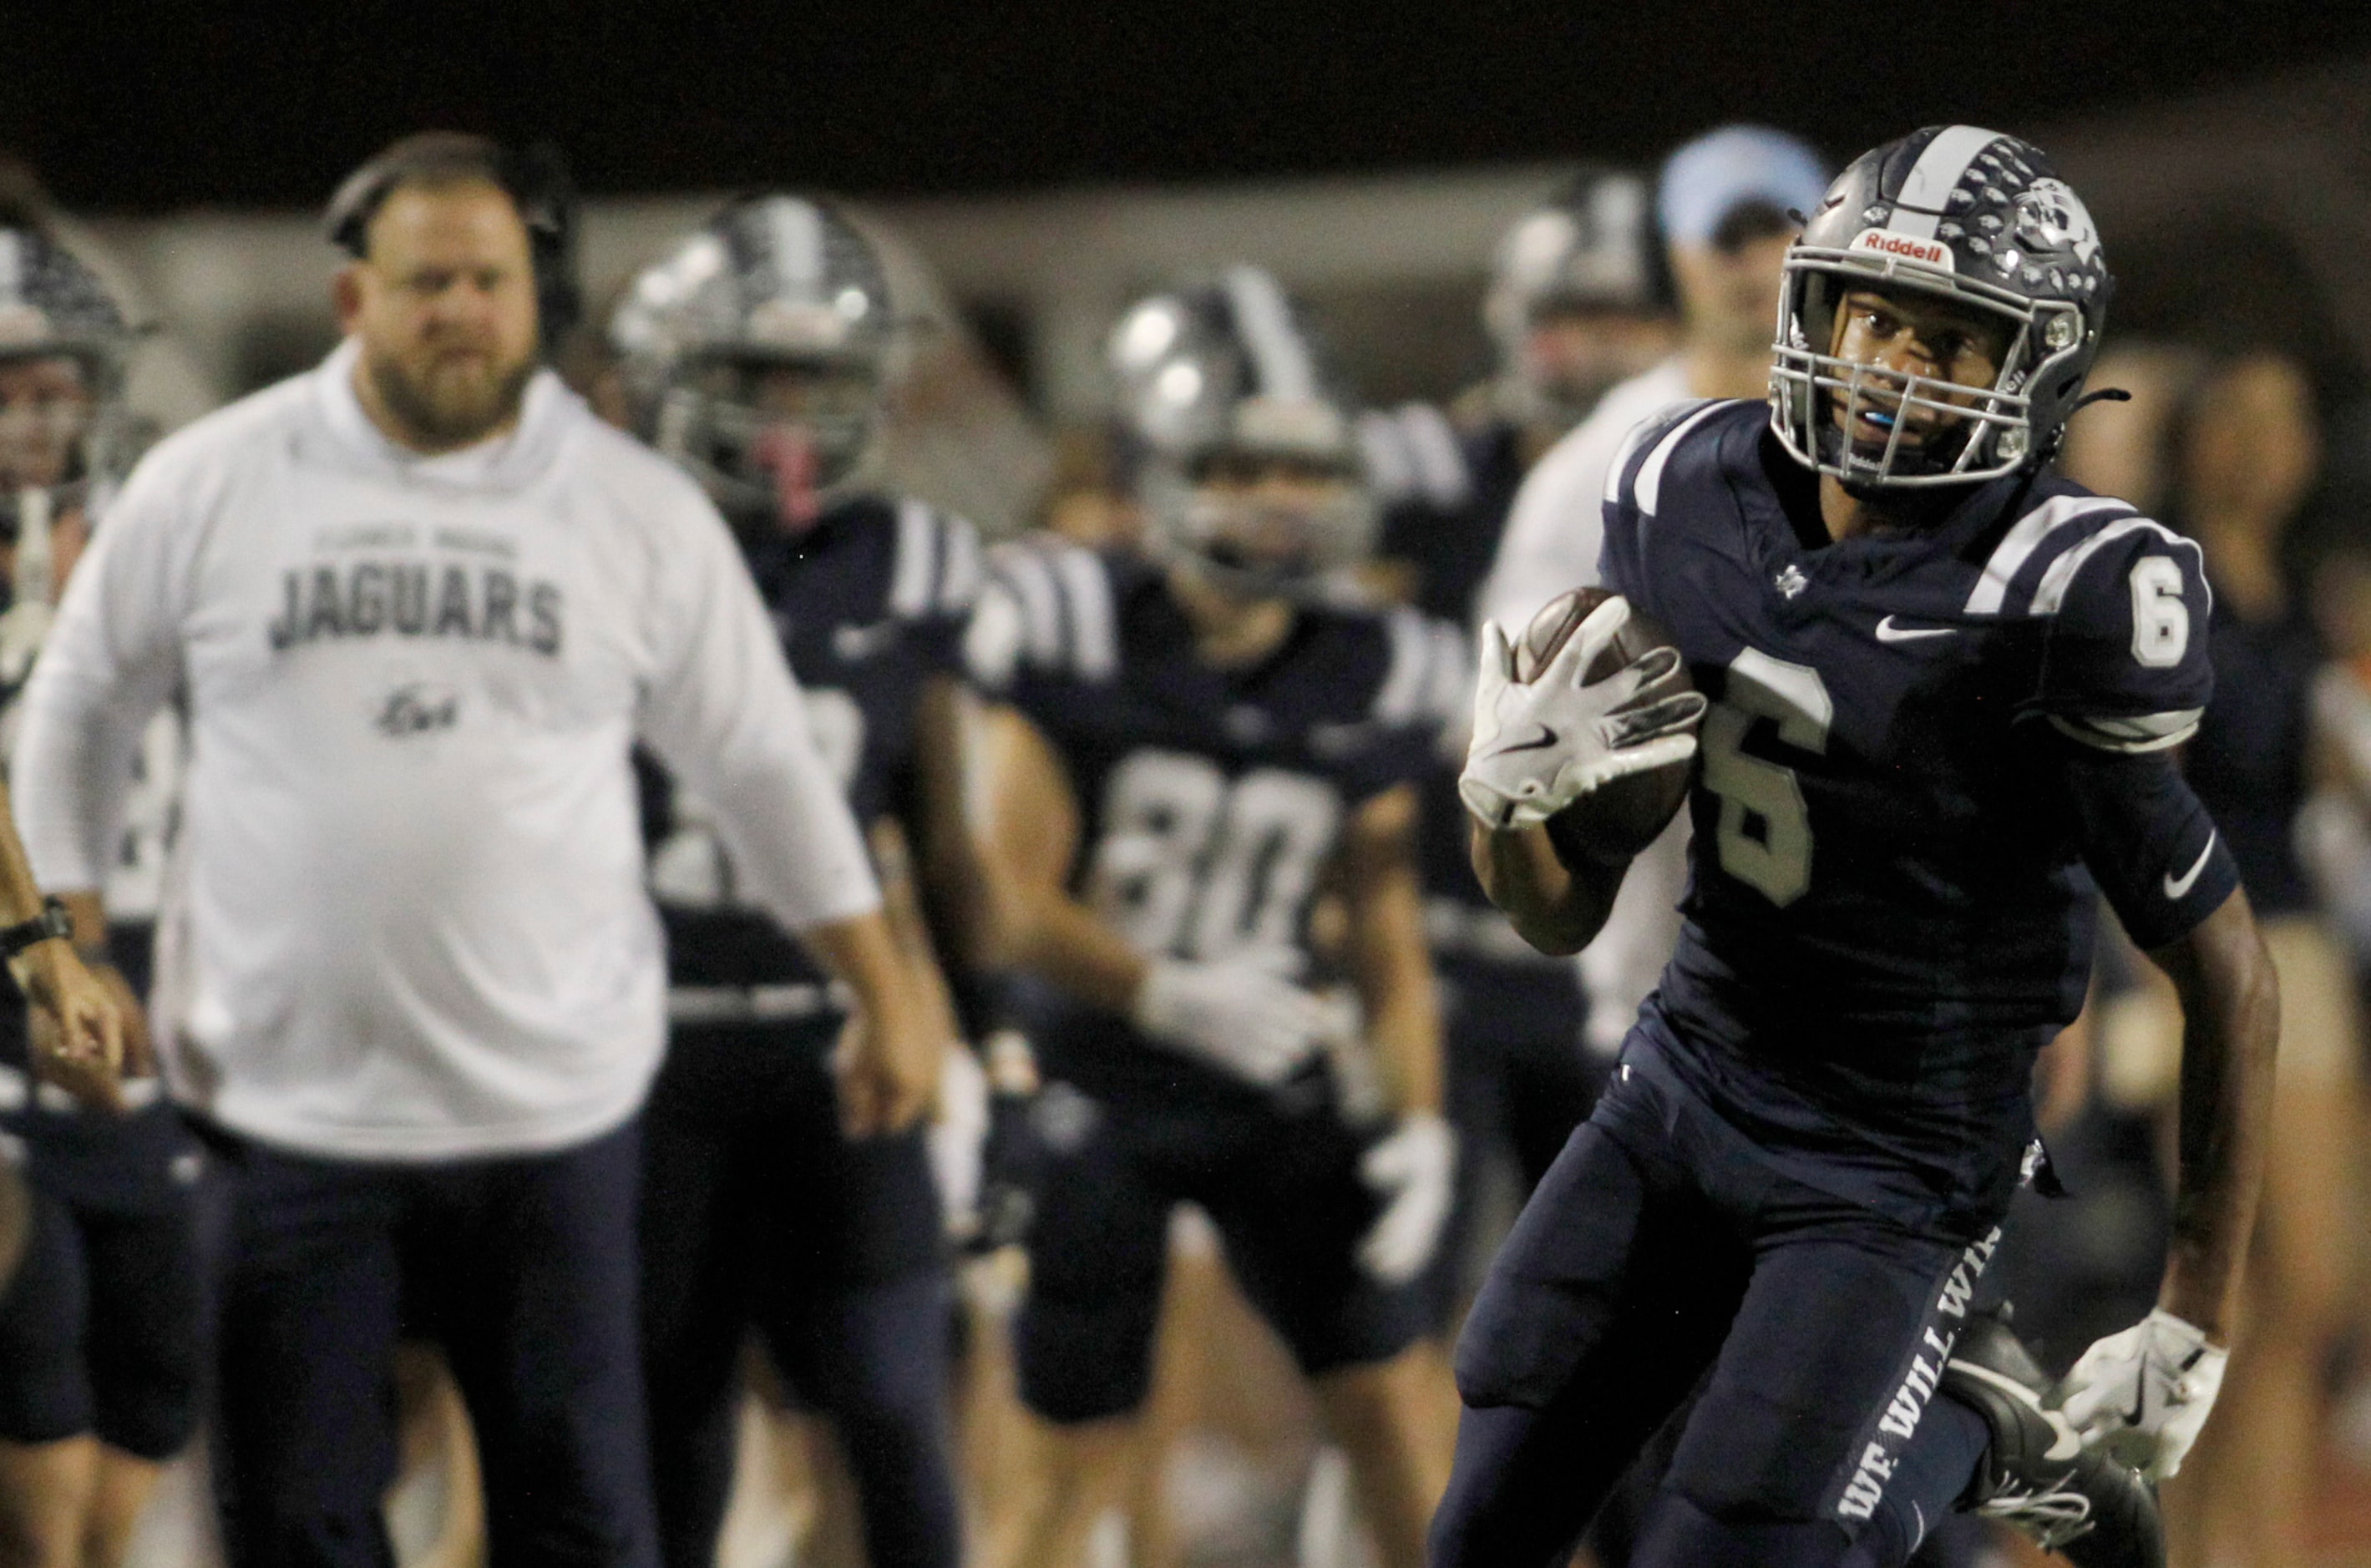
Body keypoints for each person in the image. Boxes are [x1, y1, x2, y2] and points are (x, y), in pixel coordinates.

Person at [9, 132, 938, 1568]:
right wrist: (59, 943)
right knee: (303, 1527)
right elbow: (77, 705)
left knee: (576, 1524)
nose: (460, 309)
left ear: (535, 296)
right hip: (282, 1109)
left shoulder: (634, 506)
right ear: (351, 300)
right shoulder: (215, 479)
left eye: (490, 279)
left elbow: (761, 763)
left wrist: (882, 985)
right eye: (425, 278)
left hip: (549, 1114)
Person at [1434, 125, 2276, 1568]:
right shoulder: (1677, 488)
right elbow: (1559, 920)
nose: (1887, 363)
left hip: (1893, 1156)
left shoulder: (2062, 590)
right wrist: (1503, 809)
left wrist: (2194, 1305)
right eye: (1870, 315)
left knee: (1738, 1542)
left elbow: (2224, 972)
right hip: (1684, 1073)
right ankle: (1949, 1428)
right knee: (1485, 1511)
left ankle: (1997, 1436)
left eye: (1947, 341)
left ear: (2036, 371)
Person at [971, 267, 1462, 1568]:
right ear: (1160, 463)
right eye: (1242, 462)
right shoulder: (1071, 619)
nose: (1280, 498)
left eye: (1301, 467)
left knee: (1396, 1413)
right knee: (1060, 1460)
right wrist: (1164, 992)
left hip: (1271, 1077)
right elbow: (1004, 892)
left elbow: (1381, 926)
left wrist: (1414, 1115)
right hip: (1097, 1075)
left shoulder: (1379, 661)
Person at [607, 193, 975, 1568]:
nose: (791, 409)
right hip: (643, 1050)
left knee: (891, 1409)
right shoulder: (606, 542)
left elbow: (948, 843)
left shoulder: (919, 561)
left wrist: (985, 1041)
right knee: (666, 1424)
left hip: (843, 1048)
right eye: (759, 373)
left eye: (821, 375)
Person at [1361, 173, 1676, 1307]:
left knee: (1619, 1312)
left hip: (1606, 962)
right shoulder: (1426, 476)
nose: (1590, 350)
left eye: (1620, 319)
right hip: (1438, 948)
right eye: (1566, 317)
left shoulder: (1684, 479)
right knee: (1405, 1303)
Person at [1477, 125, 1831, 1097]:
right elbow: (1509, 745)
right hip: (1674, 1007)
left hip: (1886, 1003)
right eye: (1726, 237)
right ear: (1672, 258)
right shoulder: (1593, 470)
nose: (1754, 262)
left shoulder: (1895, 439)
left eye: (1778, 231)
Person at [0, 220, 186, 1568]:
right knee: (36, 1356)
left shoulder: (164, 535)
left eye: (59, 379)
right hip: (25, 987)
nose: (37, 411)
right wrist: (48, 949)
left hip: (160, 991)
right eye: (8, 381)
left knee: (150, 1379)